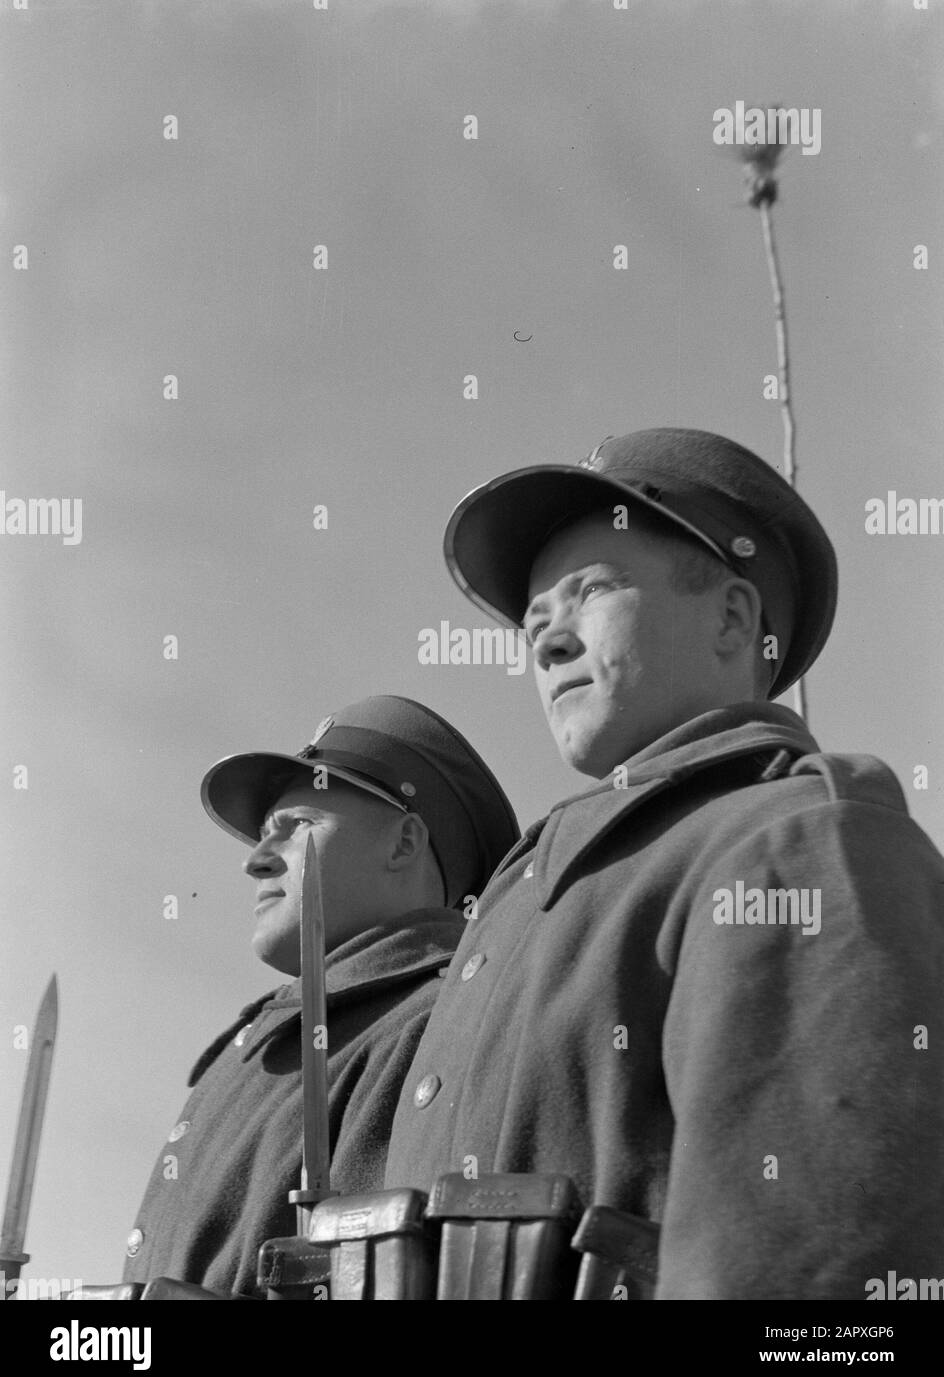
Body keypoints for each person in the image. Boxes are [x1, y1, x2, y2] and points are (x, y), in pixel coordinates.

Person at [383, 428, 944, 1300]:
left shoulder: (792, 840)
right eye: (533, 624)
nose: (548, 643)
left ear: (731, 618)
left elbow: (820, 1289)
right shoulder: (524, 904)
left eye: (590, 593)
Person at [121, 694, 518, 1298]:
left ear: (404, 844)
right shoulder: (254, 1047)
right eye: (262, 837)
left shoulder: (452, 1024)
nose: (255, 862)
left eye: (296, 827)